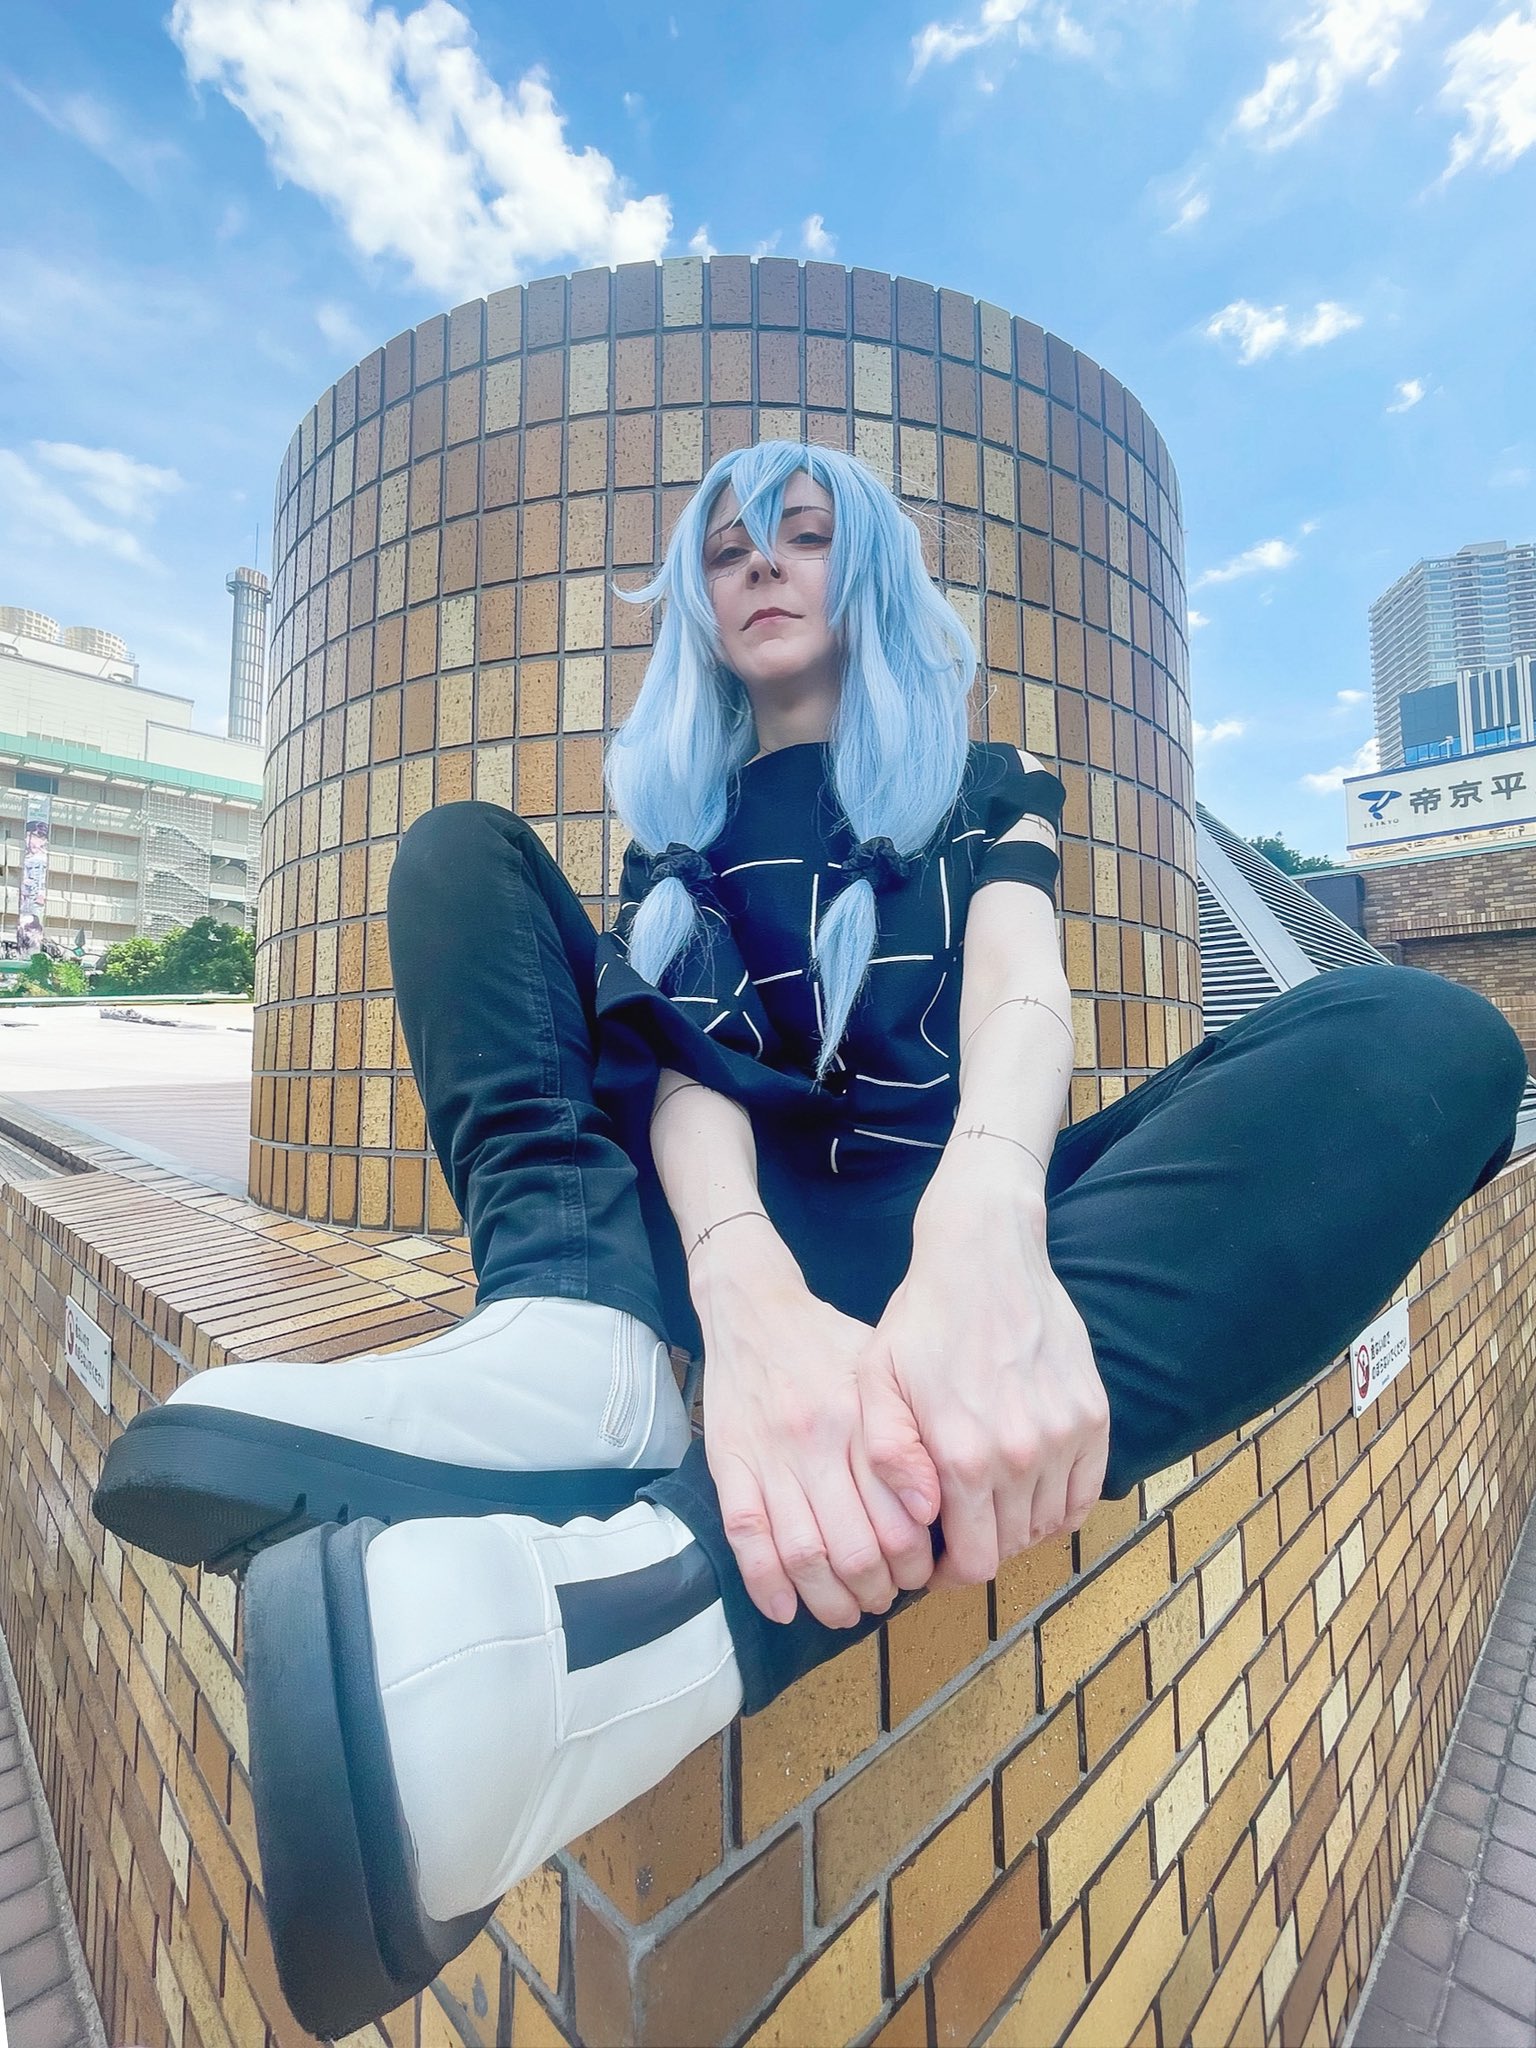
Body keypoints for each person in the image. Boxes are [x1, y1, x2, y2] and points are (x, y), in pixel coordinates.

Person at [93, 440, 1526, 2036]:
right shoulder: (681, 830)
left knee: (1429, 1041)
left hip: (959, 1251)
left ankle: (640, 1614)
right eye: (726, 551)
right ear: (697, 607)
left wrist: (990, 1211)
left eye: (801, 534)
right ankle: (573, 1351)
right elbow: (687, 1072)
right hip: (728, 1258)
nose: (762, 565)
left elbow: (1023, 989)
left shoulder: (984, 787)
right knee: (460, 855)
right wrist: (741, 1283)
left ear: (872, 574)